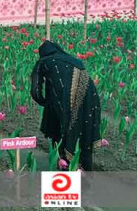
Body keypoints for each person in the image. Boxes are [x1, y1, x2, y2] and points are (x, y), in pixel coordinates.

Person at [31, 40, 101, 171]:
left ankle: (66, 165)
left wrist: (46, 103)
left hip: (66, 99)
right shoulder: (72, 60)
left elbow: (35, 91)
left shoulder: (43, 62)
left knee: (66, 128)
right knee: (83, 126)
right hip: (90, 97)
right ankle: (84, 168)